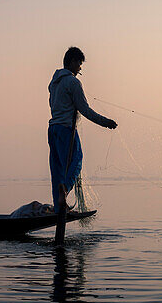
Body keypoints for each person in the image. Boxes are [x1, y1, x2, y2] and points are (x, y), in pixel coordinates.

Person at [48, 46, 117, 213]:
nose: (80, 68)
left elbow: (53, 105)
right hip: (66, 130)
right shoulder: (73, 82)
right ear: (71, 62)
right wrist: (105, 122)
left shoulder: (54, 83)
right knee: (76, 162)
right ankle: (64, 191)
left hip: (53, 129)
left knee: (58, 170)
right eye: (79, 63)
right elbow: (85, 110)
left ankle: (59, 208)